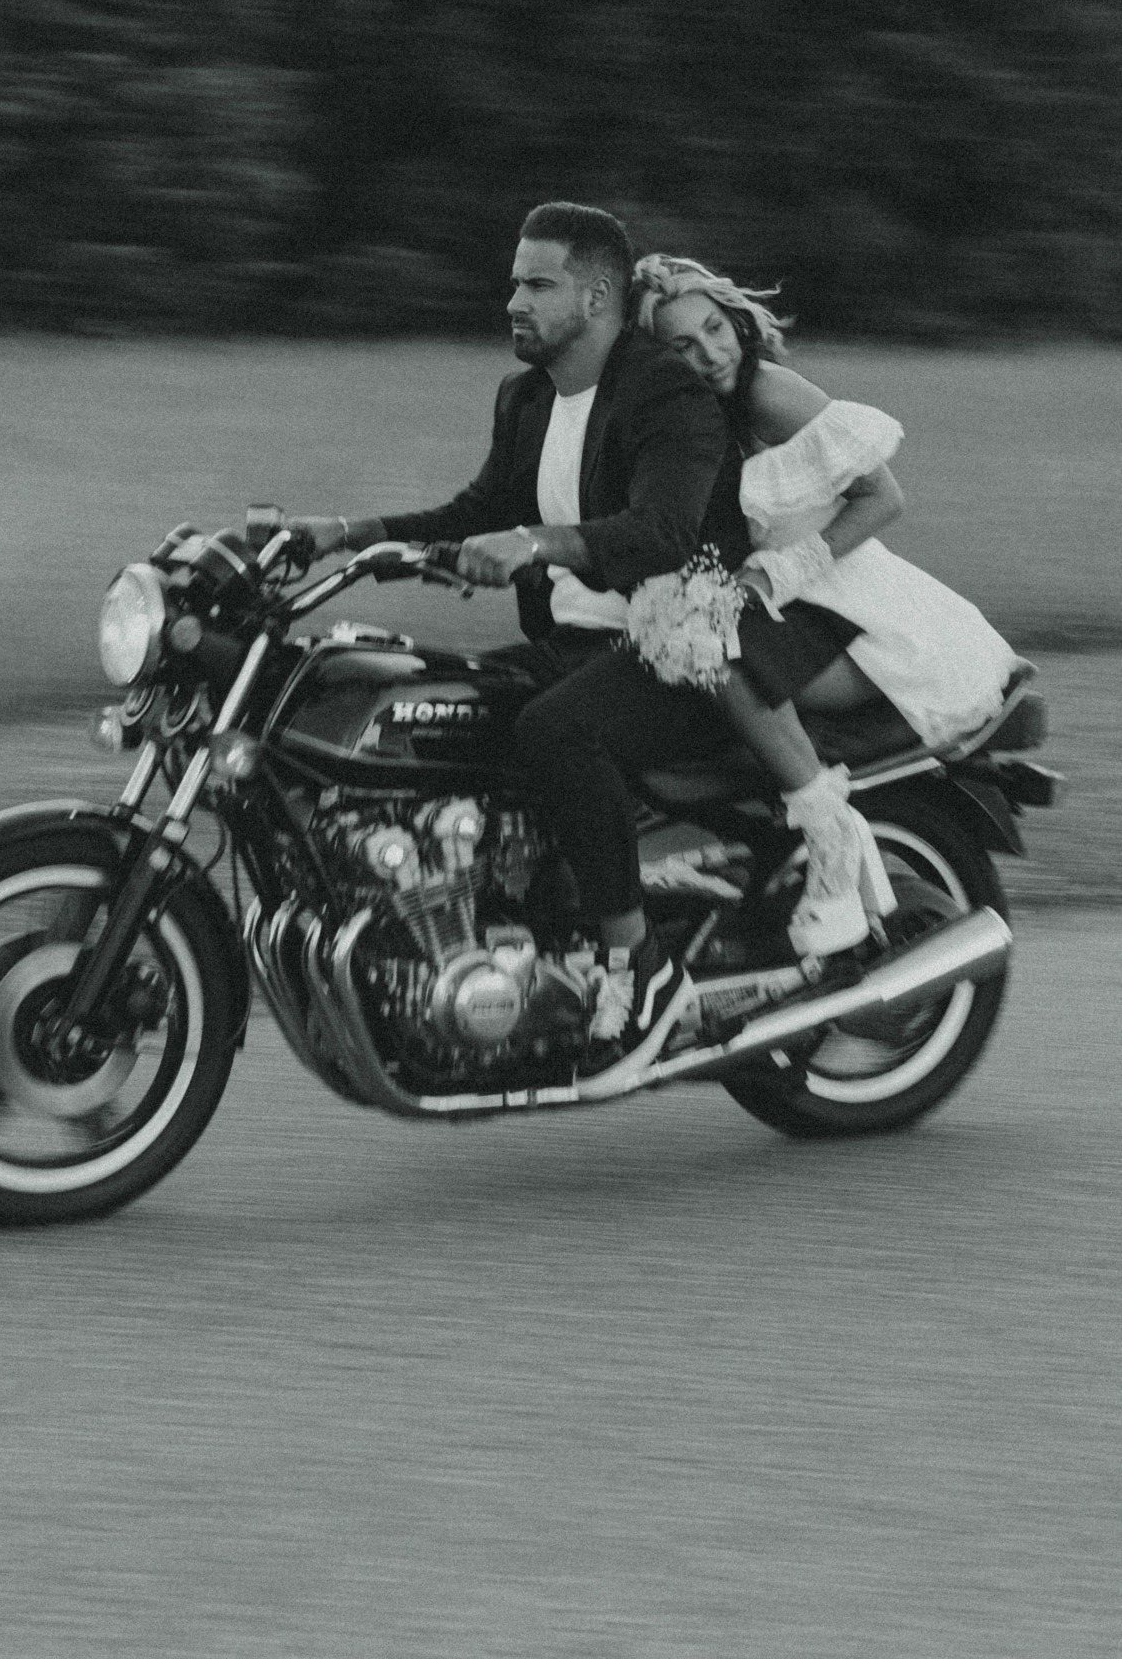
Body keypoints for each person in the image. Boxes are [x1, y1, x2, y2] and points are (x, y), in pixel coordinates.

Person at [289, 203, 874, 1086]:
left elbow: (662, 532)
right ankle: (521, 923)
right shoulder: (526, 396)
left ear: (596, 296)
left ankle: (637, 971)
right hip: (576, 642)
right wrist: (347, 532)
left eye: (537, 284)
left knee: (558, 730)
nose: (513, 302)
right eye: (513, 284)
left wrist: (537, 544)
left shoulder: (665, 392)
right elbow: (477, 511)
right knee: (439, 706)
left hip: (680, 648)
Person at [633, 255, 1018, 900]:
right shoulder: (686, 415)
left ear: (735, 322)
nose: (710, 354)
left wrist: (780, 572)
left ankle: (828, 842)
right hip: (786, 609)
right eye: (683, 346)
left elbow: (883, 497)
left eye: (714, 329)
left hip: (851, 608)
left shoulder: (768, 393)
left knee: (710, 657)